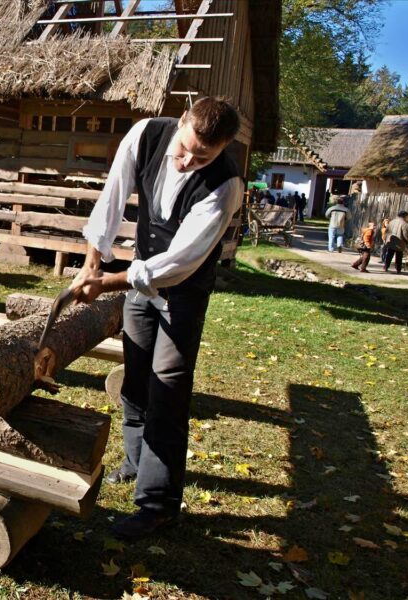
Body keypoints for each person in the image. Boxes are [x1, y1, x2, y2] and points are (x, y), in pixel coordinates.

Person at [70, 97, 243, 541]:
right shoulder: (146, 134)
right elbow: (111, 199)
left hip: (181, 293)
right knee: (135, 378)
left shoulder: (226, 184)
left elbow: (178, 263)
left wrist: (107, 282)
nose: (187, 161)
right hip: (138, 284)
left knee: (167, 390)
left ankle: (157, 505)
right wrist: (93, 259)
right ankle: (135, 460)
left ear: (223, 147)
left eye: (202, 156)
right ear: (181, 121)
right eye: (184, 149)